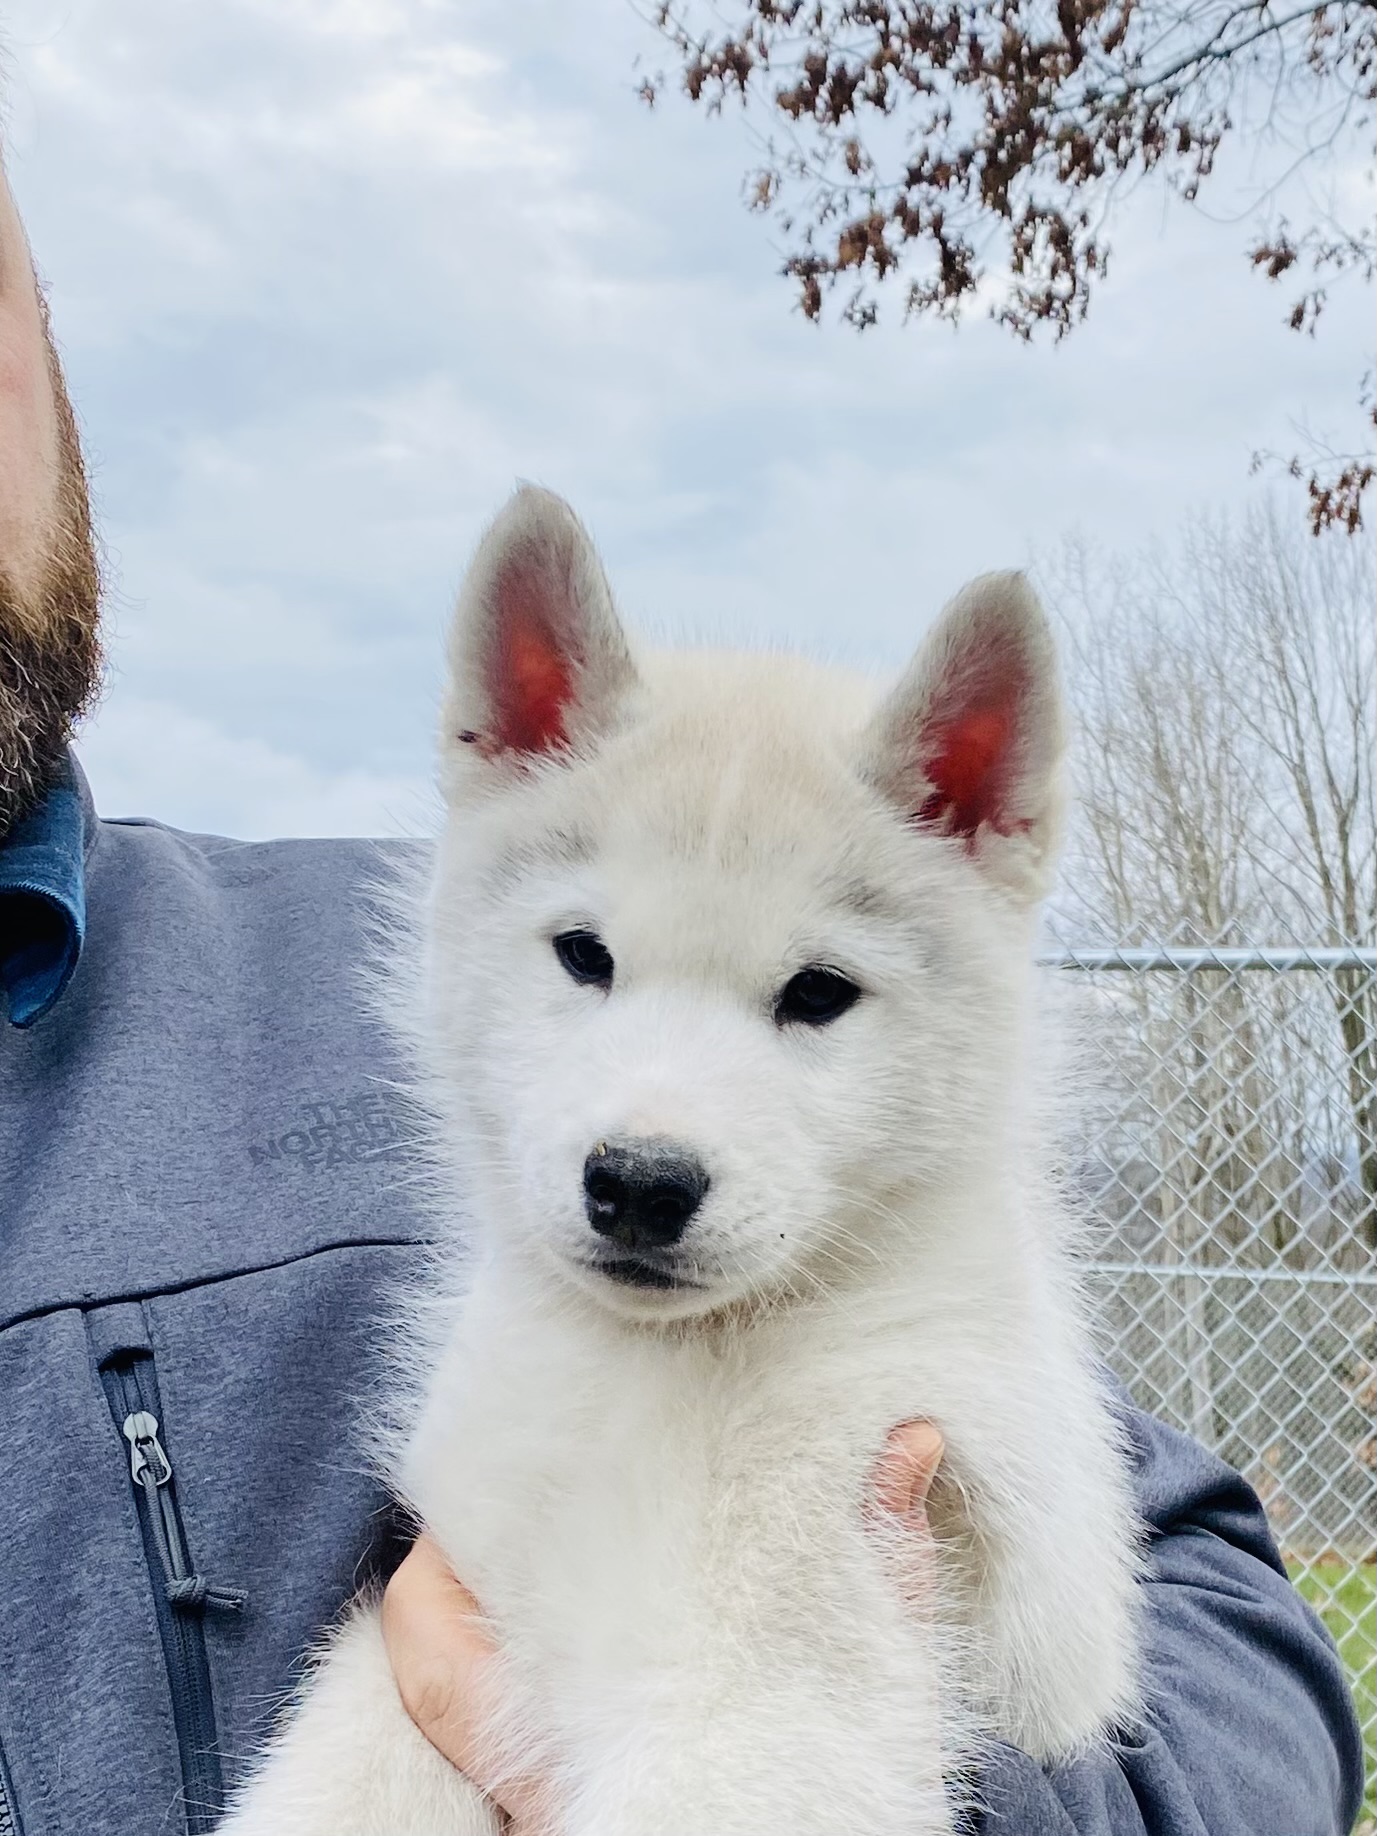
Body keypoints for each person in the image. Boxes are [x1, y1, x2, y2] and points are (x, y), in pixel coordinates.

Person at [0, 145, 1364, 1836]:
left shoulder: (890, 1278)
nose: (647, 1135)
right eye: (588, 959)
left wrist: (976, 1788)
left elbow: (1203, 1661)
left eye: (813, 995)